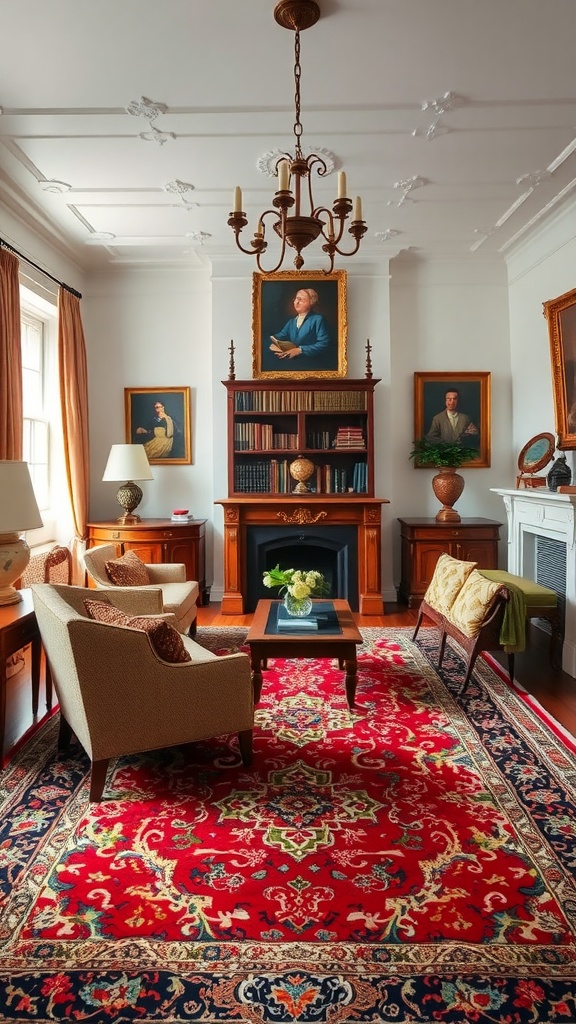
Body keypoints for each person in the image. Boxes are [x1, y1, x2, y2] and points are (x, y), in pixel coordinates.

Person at [269, 288, 330, 361]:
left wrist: (300, 350)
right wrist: (273, 342)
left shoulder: (318, 319)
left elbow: (323, 344)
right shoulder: (291, 322)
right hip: (292, 361)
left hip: (312, 362)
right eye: (296, 299)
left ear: (311, 302)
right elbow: (280, 336)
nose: (296, 302)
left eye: (301, 299)